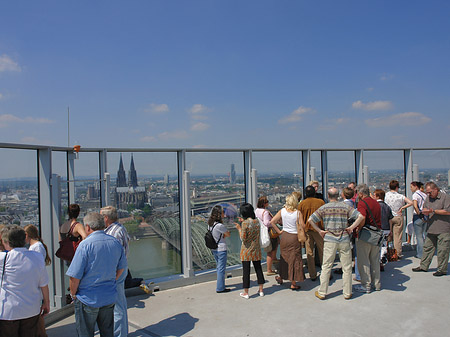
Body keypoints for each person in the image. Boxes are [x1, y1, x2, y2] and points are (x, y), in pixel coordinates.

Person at [67, 212, 127, 337]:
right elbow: (121, 268)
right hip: (109, 296)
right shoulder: (115, 243)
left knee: (86, 332)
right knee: (107, 332)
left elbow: (74, 276)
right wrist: (111, 280)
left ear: (88, 227)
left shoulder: (85, 245)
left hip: (87, 298)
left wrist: (73, 294)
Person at [309, 188, 363, 300]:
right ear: (338, 196)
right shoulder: (345, 207)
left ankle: (322, 291)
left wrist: (320, 231)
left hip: (329, 238)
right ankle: (347, 292)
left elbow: (310, 220)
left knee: (326, 265)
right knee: (347, 267)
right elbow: (360, 216)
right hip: (344, 238)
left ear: (328, 196)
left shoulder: (324, 208)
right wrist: (351, 228)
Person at [0, 225, 50, 337]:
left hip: (8, 312)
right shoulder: (36, 257)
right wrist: (46, 302)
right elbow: (43, 284)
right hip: (31, 310)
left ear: (6, 242)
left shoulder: (3, 259)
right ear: (24, 239)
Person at [100, 206, 130, 337]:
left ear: (106, 218)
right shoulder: (119, 228)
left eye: (101, 216)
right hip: (119, 270)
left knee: (117, 307)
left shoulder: (114, 233)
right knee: (119, 304)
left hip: (116, 272)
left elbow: (116, 256)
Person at [412, 182, 450, 276]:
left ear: (436, 190)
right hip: (431, 228)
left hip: (443, 228)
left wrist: (433, 211)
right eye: (427, 192)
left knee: (442, 250)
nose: (428, 194)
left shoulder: (445, 198)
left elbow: (448, 211)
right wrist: (424, 212)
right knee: (427, 248)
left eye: (430, 192)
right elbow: (425, 207)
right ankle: (424, 266)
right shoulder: (428, 199)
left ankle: (442, 269)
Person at [270, 194, 305, 290]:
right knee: (294, 259)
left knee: (284, 258)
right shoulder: (298, 213)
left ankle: (281, 277)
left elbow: (272, 222)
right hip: (294, 237)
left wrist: (279, 231)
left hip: (284, 236)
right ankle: (293, 282)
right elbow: (303, 226)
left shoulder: (282, 211)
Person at [354, 184, 382, 294]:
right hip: (376, 235)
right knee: (375, 260)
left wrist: (358, 228)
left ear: (361, 194)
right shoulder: (376, 202)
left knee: (364, 261)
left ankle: (366, 285)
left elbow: (362, 217)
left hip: (365, 236)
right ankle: (377, 284)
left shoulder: (362, 203)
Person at [234, 203, 265, 299]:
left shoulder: (244, 224)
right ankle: (261, 290)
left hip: (246, 250)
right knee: (258, 269)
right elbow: (251, 225)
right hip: (256, 249)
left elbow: (243, 238)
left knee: (246, 271)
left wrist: (239, 228)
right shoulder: (257, 222)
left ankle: (246, 292)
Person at [298, 185, 325, 281]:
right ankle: (325, 273)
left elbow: (299, 218)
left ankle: (312, 274)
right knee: (322, 251)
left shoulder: (302, 204)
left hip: (307, 230)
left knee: (309, 253)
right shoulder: (320, 202)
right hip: (319, 230)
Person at [384, 180, 413, 258]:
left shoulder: (386, 195)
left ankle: (385, 253)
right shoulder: (400, 196)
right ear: (397, 187)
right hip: (398, 216)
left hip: (388, 217)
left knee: (387, 236)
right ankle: (397, 254)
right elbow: (411, 202)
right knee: (398, 237)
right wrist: (402, 208)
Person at [255, 196, 282, 276]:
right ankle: (269, 269)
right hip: (269, 232)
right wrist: (274, 222)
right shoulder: (265, 212)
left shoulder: (257, 211)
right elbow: (266, 223)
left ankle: (274, 259)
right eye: (267, 202)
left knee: (272, 247)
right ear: (264, 203)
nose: (268, 203)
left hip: (262, 232)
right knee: (270, 250)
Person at [208, 205, 231, 293]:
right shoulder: (220, 225)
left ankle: (221, 284)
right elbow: (228, 234)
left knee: (219, 267)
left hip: (214, 248)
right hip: (221, 249)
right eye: (222, 212)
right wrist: (225, 234)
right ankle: (220, 288)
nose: (223, 214)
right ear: (219, 214)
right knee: (221, 269)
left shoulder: (210, 224)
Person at [373, 189, 394, 270]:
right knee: (384, 245)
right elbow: (390, 219)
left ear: (378, 196)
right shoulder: (387, 207)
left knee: (376, 246)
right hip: (386, 228)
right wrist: (390, 230)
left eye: (374, 195)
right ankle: (382, 261)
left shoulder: (375, 206)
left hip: (378, 229)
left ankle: (377, 261)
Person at [411, 181, 428, 258]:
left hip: (418, 216)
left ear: (415, 187)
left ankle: (420, 254)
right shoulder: (424, 194)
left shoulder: (415, 195)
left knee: (419, 236)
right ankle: (426, 252)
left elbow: (415, 205)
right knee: (424, 235)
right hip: (425, 216)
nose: (411, 189)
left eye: (411, 187)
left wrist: (419, 214)